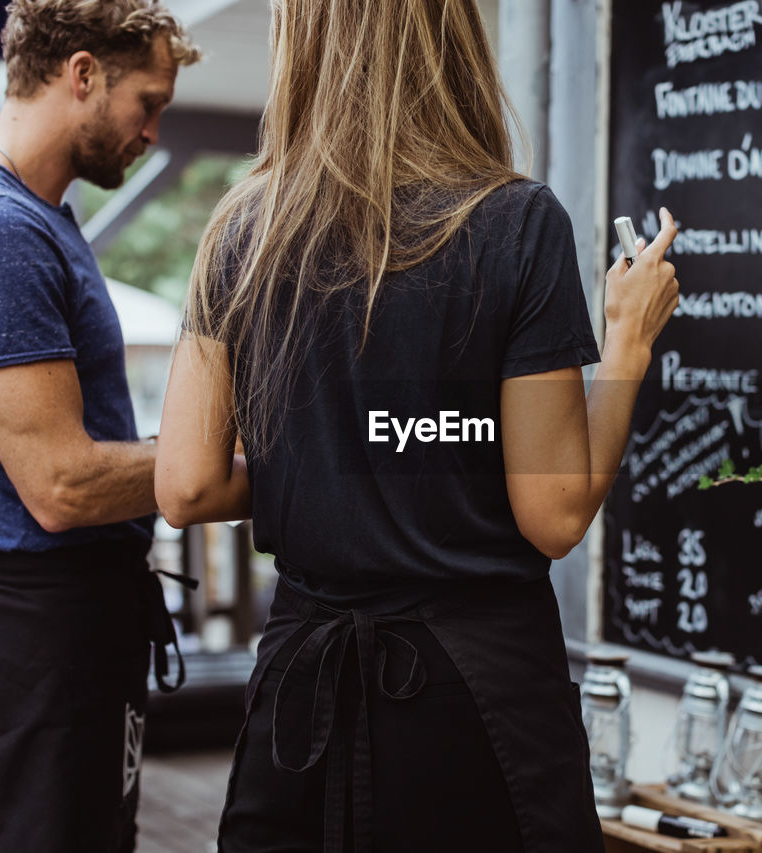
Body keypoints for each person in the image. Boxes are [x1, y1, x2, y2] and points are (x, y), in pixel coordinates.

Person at [155, 0, 678, 849]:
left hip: (301, 695)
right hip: (472, 700)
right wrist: (627, 344)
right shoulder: (514, 222)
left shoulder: (241, 228)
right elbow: (553, 512)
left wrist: (331, 460)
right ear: (451, 40)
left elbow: (186, 485)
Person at [0, 2, 200, 850]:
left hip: (77, 614)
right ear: (81, 74)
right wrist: (239, 463)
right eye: (150, 100)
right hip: (38, 623)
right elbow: (61, 484)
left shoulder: (37, 219)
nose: (151, 131)